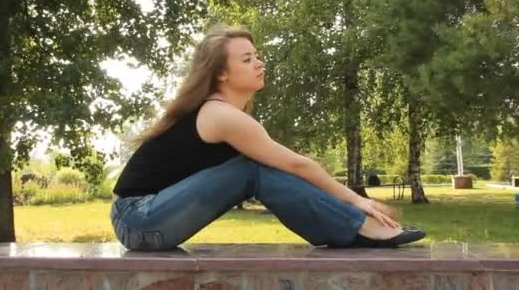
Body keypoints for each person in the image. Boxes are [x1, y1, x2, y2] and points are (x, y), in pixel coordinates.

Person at [110, 27, 426, 251]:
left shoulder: (223, 113)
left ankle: (351, 230)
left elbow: (289, 168)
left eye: (257, 56)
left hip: (145, 220)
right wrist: (357, 199)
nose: (259, 63)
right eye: (246, 60)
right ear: (222, 73)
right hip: (138, 220)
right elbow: (297, 164)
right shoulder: (220, 114)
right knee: (253, 168)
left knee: (256, 168)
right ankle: (357, 228)